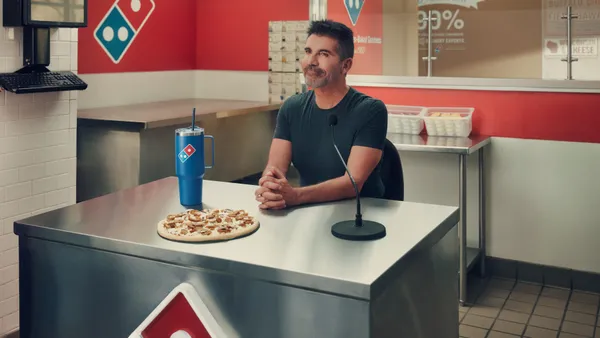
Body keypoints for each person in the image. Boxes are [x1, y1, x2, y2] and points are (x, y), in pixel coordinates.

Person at [255, 19, 388, 210]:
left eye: (323, 54)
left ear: (346, 65)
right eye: (308, 52)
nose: (311, 62)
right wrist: (270, 185)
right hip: (307, 210)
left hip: (360, 216)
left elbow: (353, 183)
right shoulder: (291, 108)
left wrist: (295, 196)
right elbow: (274, 169)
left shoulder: (370, 110)